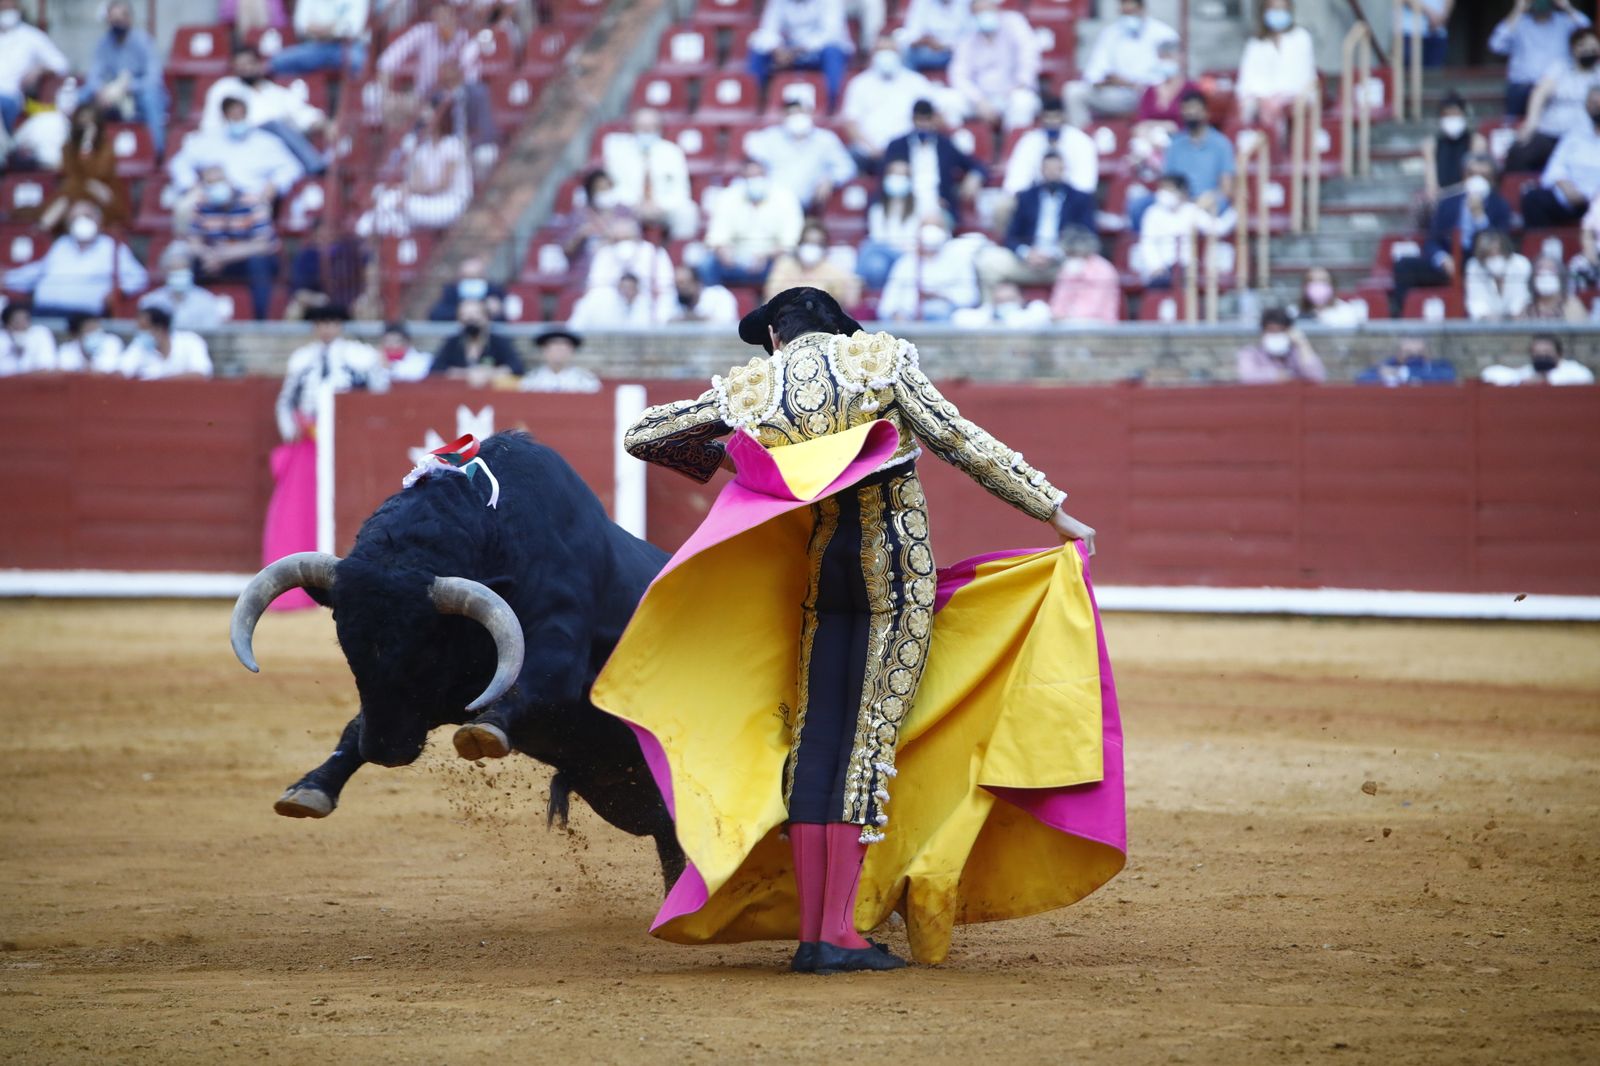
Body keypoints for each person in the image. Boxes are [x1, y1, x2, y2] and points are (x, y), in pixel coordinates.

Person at [599, 286, 1115, 975]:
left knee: (819, 740)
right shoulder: (876, 361)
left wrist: (748, 465)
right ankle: (834, 934)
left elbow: (646, 433)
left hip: (824, 580)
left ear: (776, 339)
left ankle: (817, 933)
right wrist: (1054, 511)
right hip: (894, 576)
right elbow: (962, 442)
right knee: (865, 742)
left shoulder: (758, 385)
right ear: (839, 330)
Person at [264, 303, 385, 610]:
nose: (327, 328)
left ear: (340, 325)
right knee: (300, 510)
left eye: (332, 321)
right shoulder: (302, 359)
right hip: (310, 445)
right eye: (321, 322)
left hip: (350, 446)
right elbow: (286, 403)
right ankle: (298, 587)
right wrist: (291, 427)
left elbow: (379, 397)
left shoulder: (362, 357)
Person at [1390, 154, 1510, 315]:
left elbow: (1499, 246)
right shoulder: (1448, 203)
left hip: (1480, 265)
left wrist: (1480, 216)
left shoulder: (1500, 206)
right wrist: (1442, 259)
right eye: (1472, 174)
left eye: (1484, 176)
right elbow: (1432, 241)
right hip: (1449, 263)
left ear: (1492, 180)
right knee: (1404, 266)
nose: (1477, 179)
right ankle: (1403, 318)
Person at [977, 153, 1097, 298]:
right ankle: (990, 311)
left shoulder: (1079, 198)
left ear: (1063, 170)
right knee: (988, 261)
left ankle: (1070, 315)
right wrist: (1027, 253)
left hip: (1061, 263)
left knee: (1083, 267)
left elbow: (1087, 236)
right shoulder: (1026, 197)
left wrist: (1057, 252)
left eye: (1056, 169)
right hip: (1027, 261)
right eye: (1048, 168)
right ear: (1041, 170)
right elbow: (1011, 237)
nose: (1052, 173)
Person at [374, 1, 494, 145]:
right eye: (439, 17)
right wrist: (385, 95)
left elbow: (468, 80)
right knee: (394, 107)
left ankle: (474, 145)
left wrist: (444, 94)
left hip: (455, 99)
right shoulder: (423, 32)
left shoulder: (465, 40)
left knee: (471, 94)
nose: (443, 22)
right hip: (424, 98)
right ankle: (406, 147)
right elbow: (387, 60)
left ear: (455, 17)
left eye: (447, 16)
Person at [3, 202, 148, 318]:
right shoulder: (62, 244)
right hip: (45, 310)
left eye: (87, 216)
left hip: (83, 315)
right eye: (75, 218)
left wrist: (118, 291)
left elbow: (138, 277)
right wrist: (7, 277)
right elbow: (38, 271)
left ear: (98, 220)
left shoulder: (111, 246)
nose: (81, 222)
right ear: (69, 224)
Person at [201, 46, 328, 175]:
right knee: (273, 125)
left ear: (259, 64)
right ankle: (316, 165)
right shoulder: (224, 88)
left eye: (249, 63)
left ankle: (315, 167)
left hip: (275, 150)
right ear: (234, 68)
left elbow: (303, 115)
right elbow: (210, 126)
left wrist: (324, 124)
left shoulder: (276, 92)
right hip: (239, 145)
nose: (246, 68)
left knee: (277, 126)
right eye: (240, 65)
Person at [167, 96, 305, 209]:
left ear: (246, 113)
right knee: (184, 207)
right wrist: (191, 186)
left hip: (251, 198)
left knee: (259, 211)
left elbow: (291, 167)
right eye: (232, 115)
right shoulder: (206, 140)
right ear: (224, 116)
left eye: (240, 114)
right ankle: (187, 243)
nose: (237, 118)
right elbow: (179, 163)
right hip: (210, 197)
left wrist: (273, 186)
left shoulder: (267, 141)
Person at [357, 103, 473, 236]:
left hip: (452, 202)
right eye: (423, 122)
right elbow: (416, 182)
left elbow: (442, 184)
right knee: (386, 210)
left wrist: (408, 193)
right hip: (429, 201)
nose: (425, 124)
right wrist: (405, 190)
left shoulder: (452, 144)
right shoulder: (423, 150)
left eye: (429, 121)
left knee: (396, 204)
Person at [1065, 0, 1179, 128]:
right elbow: (1094, 70)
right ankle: (1085, 139)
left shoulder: (1164, 34)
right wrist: (1101, 81)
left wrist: (1130, 82)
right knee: (1073, 91)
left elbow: (1169, 74)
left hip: (1149, 94)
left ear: (1142, 10)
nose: (1128, 18)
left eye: (1132, 12)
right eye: (1125, 13)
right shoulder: (1110, 33)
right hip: (1116, 94)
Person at [188, 164, 280, 321]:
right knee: (190, 263)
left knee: (259, 264)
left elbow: (264, 244)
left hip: (244, 260)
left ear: (229, 181)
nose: (215, 186)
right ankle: (193, 317)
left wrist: (225, 256)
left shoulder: (251, 202)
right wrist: (207, 255)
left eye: (219, 181)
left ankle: (260, 319)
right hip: (214, 260)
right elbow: (193, 242)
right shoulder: (202, 206)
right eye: (210, 183)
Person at [1507, 27, 1600, 176]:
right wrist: (1531, 123)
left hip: (1588, 138)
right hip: (1552, 133)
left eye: (1592, 46)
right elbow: (1539, 93)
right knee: (1519, 152)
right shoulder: (1560, 68)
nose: (1587, 50)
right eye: (1582, 46)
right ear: (1573, 49)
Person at [840, 38, 949, 166]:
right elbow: (851, 123)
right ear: (872, 55)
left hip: (907, 150)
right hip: (869, 151)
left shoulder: (917, 81)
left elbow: (934, 116)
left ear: (900, 54)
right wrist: (872, 149)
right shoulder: (859, 83)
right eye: (881, 50)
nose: (886, 55)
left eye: (891, 50)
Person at [700, 160, 806, 288]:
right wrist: (723, 252)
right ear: (741, 179)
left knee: (788, 266)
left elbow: (791, 240)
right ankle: (716, 302)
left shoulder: (785, 197)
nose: (754, 181)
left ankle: (776, 306)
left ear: (766, 177)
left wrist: (768, 255)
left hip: (771, 260)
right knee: (706, 264)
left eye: (759, 176)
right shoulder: (727, 197)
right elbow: (717, 235)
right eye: (749, 177)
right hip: (735, 258)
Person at [743, 93, 857, 211]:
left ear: (811, 114)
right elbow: (751, 153)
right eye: (792, 113)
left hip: (809, 205)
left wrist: (830, 179)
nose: (797, 117)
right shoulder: (769, 138)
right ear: (784, 116)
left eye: (801, 112)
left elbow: (847, 167)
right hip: (773, 205)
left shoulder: (826, 139)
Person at [882, 100, 988, 222]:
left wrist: (975, 176)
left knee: (932, 234)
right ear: (912, 120)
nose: (923, 124)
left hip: (938, 206)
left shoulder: (945, 146)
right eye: (919, 120)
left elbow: (976, 164)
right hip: (905, 205)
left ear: (933, 119)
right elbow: (885, 180)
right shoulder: (897, 147)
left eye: (927, 119)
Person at [83, 0, 166, 155]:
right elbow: (94, 75)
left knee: (151, 96)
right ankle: (79, 148)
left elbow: (154, 78)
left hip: (138, 91)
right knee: (84, 93)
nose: (117, 24)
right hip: (114, 94)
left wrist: (129, 87)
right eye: (113, 20)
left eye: (120, 19)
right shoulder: (104, 43)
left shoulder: (143, 41)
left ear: (129, 18)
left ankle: (156, 151)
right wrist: (100, 90)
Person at [601, 108, 697, 239]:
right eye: (642, 127)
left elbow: (681, 190)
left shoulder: (672, 152)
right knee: (607, 208)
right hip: (630, 207)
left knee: (687, 211)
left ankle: (678, 255)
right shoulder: (618, 152)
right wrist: (636, 204)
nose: (646, 131)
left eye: (651, 127)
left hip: (663, 208)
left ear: (659, 129)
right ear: (633, 128)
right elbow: (612, 187)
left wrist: (660, 205)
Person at [36, 105, 130, 234]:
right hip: (76, 192)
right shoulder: (68, 148)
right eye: (82, 122)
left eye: (90, 123)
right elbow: (71, 174)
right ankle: (40, 233)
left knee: (95, 192)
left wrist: (87, 145)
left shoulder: (106, 148)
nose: (86, 127)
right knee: (67, 197)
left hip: (101, 193)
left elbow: (99, 174)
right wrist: (84, 147)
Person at [746, 0, 853, 113]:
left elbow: (830, 34)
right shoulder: (778, 2)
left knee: (832, 51)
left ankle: (832, 103)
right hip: (791, 49)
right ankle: (752, 100)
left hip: (820, 50)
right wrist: (777, 49)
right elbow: (768, 30)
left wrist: (795, 51)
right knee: (758, 45)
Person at [948, 0, 1039, 130]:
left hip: (1012, 92)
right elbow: (958, 74)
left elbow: (1030, 57)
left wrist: (1019, 85)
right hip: (979, 99)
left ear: (996, 8)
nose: (984, 15)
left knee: (1022, 102)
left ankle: (1013, 146)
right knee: (950, 101)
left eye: (987, 10)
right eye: (979, 12)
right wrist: (979, 100)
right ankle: (961, 147)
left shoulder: (1014, 23)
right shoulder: (967, 34)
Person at [1491, 0, 1592, 118]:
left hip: (1557, 89)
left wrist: (1567, 7)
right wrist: (1517, 9)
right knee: (1514, 125)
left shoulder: (1564, 21)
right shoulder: (1519, 23)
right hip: (1522, 88)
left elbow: (1588, 31)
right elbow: (1496, 45)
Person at [1520, 86, 1600, 228]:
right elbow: (1555, 167)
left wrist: (1590, 194)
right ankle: (1542, 246)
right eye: (1593, 103)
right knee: (1533, 199)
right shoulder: (1575, 134)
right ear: (1586, 106)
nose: (1596, 107)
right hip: (1569, 197)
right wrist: (1565, 186)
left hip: (1596, 199)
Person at [877, 216, 980, 321]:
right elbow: (888, 301)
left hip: (946, 315)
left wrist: (942, 295)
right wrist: (895, 314)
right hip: (909, 317)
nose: (931, 232)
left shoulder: (959, 259)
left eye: (936, 227)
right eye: (927, 227)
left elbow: (971, 296)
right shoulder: (905, 262)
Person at [1001, 94, 1098, 204]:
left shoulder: (1082, 142)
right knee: (1004, 206)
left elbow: (1085, 184)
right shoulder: (1029, 141)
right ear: (1041, 118)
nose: (1051, 122)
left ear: (1064, 117)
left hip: (1070, 202)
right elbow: (1016, 181)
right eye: (1047, 117)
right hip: (1034, 201)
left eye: (1056, 117)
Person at [1236, 0, 1317, 131]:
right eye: (1274, 9)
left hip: (1295, 103)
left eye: (1282, 9)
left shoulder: (1301, 38)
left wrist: (1279, 100)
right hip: (1261, 105)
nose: (1278, 13)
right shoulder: (1255, 43)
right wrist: (1262, 100)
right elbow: (1246, 83)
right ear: (1264, 11)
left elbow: (1304, 78)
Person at [1131, 173, 1216, 287]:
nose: (1163, 193)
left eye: (1169, 189)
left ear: (1182, 192)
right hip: (1163, 267)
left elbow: (1215, 228)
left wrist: (1233, 211)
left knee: (1190, 285)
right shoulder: (1153, 213)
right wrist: (1156, 266)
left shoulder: (1192, 210)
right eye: (1162, 188)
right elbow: (1147, 243)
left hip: (1187, 268)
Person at [0, 0, 68, 135]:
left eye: (9, 8)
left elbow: (61, 64)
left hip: (11, 97)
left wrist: (39, 69)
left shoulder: (31, 36)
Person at [587, 218, 676, 314]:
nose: (623, 244)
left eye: (627, 238)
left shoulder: (654, 252)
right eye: (618, 240)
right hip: (612, 301)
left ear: (637, 237)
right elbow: (595, 283)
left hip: (646, 298)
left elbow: (666, 283)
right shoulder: (605, 253)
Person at [765, 221, 862, 307]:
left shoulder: (831, 270)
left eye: (817, 244)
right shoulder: (784, 265)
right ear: (800, 244)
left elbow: (851, 298)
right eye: (808, 242)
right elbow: (770, 296)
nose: (811, 248)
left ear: (824, 248)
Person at [858, 160, 921, 289]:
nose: (897, 179)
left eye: (902, 175)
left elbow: (915, 241)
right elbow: (878, 239)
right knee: (877, 265)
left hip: (910, 256)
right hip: (885, 255)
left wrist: (898, 245)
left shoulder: (920, 208)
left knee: (867, 246)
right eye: (894, 174)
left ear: (910, 180)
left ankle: (856, 279)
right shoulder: (877, 209)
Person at [139, 244, 230, 332]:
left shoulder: (206, 301)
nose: (179, 273)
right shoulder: (151, 303)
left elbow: (211, 335)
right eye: (174, 269)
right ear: (164, 272)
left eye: (183, 269)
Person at [270, 0, 371, 77]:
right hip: (315, 46)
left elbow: (353, 28)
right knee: (277, 62)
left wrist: (318, 28)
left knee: (358, 63)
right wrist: (335, 26)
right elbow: (301, 26)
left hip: (346, 47)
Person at [430, 299, 525, 379]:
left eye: (476, 314)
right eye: (465, 315)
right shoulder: (452, 343)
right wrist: (467, 374)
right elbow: (436, 370)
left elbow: (517, 368)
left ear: (487, 318)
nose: (471, 319)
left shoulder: (499, 342)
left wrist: (488, 373)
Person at [1421, 93, 1486, 203]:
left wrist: (1455, 194)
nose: (1452, 119)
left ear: (1463, 115)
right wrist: (1436, 194)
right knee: (1422, 202)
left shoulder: (1476, 141)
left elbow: (1475, 176)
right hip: (1440, 196)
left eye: (1456, 114)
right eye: (1447, 115)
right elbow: (1431, 183)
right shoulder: (1431, 144)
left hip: (1468, 194)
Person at [1050, 226, 1122, 324]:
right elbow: (1059, 301)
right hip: (1067, 322)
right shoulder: (1068, 268)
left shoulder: (1103, 270)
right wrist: (1057, 315)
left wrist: (1069, 317)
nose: (1071, 257)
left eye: (1074, 253)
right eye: (1069, 254)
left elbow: (1095, 307)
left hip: (1099, 323)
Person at [116, 306, 212, 379]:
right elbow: (121, 372)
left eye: (144, 329)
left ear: (160, 329)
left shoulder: (191, 341)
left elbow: (200, 374)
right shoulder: (139, 345)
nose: (141, 334)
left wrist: (159, 383)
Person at [1236, 307, 1326, 384]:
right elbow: (1247, 377)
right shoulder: (1251, 353)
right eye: (1271, 331)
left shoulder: (1296, 354)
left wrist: (1303, 344)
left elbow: (1317, 376)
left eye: (1280, 331)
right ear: (1263, 332)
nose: (1276, 335)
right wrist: (1277, 375)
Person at [1463, 229, 1533, 322]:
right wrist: (1486, 316)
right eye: (1489, 255)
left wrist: (1512, 316)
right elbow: (1476, 301)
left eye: (1498, 253)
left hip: (1518, 322)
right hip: (1486, 325)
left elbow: (1521, 298)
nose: (1494, 258)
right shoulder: (1474, 267)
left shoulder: (1520, 264)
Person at [570, 271, 669, 330]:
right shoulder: (600, 301)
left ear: (637, 290)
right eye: (623, 288)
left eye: (630, 288)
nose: (626, 292)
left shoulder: (648, 305)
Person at [1483, 333, 1596, 384]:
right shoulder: (1527, 372)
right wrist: (1522, 381)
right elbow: (1488, 374)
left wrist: (1547, 381)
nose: (1542, 356)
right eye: (1537, 353)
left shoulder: (1572, 370)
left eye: (1547, 352)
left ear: (1559, 354)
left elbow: (1587, 378)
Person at [894, 0, 972, 71]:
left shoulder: (967, 3)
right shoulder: (922, 2)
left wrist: (945, 45)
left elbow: (972, 35)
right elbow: (912, 31)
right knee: (905, 52)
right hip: (932, 52)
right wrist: (920, 40)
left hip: (960, 52)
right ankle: (912, 83)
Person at [521, 328, 600, 393]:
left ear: (571, 350)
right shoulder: (532, 380)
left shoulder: (585, 381)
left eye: (563, 346)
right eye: (554, 345)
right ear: (544, 350)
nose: (558, 350)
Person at [428, 256, 506, 322]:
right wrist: (460, 311)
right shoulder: (451, 292)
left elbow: (509, 318)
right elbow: (435, 315)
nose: (471, 281)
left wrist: (494, 310)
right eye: (467, 277)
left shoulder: (494, 291)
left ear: (484, 276)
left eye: (475, 277)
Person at [1353, 338, 1458, 386]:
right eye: (1408, 353)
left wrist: (1402, 373)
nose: (1414, 357)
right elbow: (1362, 379)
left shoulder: (1440, 367)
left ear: (1428, 354)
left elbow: (1448, 376)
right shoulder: (1390, 366)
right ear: (1399, 354)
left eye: (1419, 353)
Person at [950, 279, 1052, 327]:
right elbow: (959, 317)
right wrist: (992, 318)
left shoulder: (1036, 309)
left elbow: (1043, 314)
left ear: (1020, 297)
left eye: (1009, 299)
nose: (1005, 305)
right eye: (1000, 301)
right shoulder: (987, 312)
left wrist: (1003, 322)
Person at [1521, 254, 1587, 321]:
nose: (1545, 274)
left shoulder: (1571, 305)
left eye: (1551, 269)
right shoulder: (1528, 309)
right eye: (1540, 269)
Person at [670, 263, 740, 325]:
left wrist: (688, 319)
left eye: (683, 283)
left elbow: (726, 325)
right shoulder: (670, 299)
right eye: (676, 284)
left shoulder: (721, 296)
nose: (679, 288)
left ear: (697, 283)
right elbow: (661, 324)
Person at [55, 310, 124, 373]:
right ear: (76, 334)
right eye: (90, 329)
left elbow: (108, 369)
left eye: (97, 328)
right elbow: (62, 371)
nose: (95, 333)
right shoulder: (66, 349)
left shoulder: (112, 342)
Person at [1297, 267, 1367, 327]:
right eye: (1311, 281)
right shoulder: (1295, 313)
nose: (1317, 285)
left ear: (1332, 285)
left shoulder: (1346, 312)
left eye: (1322, 281)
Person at [0, 302, 57, 374]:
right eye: (17, 319)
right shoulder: (2, 339)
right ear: (7, 324)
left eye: (25, 318)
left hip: (35, 380)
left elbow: (47, 365)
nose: (22, 322)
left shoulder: (40, 333)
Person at [1400, 0, 1454, 70]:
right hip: (1409, 31)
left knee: (1433, 76)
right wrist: (1430, 13)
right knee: (1408, 74)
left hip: (1437, 33)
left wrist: (1443, 15)